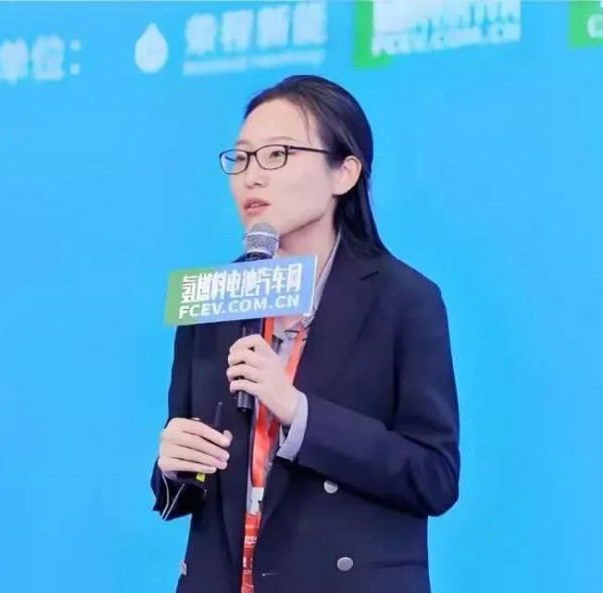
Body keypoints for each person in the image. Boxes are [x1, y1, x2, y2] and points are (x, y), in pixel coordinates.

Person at [150, 74, 460, 593]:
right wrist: (172, 465)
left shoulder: (404, 300)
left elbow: (434, 477)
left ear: (344, 172)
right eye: (242, 158)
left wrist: (299, 413)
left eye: (278, 155)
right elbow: (181, 490)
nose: (253, 177)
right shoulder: (214, 299)